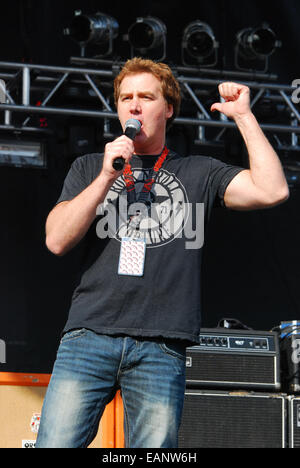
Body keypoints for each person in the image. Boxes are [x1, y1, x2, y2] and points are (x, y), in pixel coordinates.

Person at [36, 57, 289, 448]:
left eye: (146, 97)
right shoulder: (90, 167)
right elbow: (55, 240)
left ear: (168, 108)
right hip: (89, 335)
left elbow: (272, 190)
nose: (133, 106)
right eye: (125, 98)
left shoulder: (199, 172)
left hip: (161, 343)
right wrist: (107, 175)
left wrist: (243, 116)